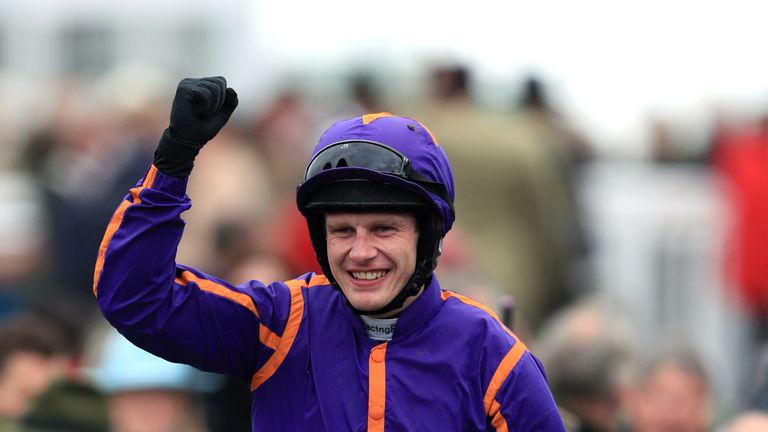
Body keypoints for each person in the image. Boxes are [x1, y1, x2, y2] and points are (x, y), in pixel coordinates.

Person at [94, 76, 565, 431]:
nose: (361, 252)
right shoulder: (280, 322)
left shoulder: (492, 354)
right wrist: (174, 159)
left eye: (383, 229)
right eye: (342, 230)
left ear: (430, 234)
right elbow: (135, 298)